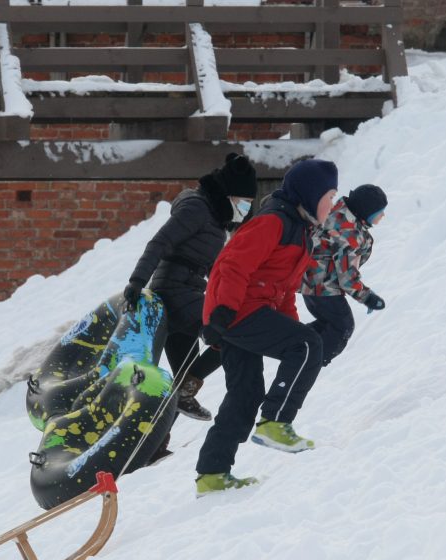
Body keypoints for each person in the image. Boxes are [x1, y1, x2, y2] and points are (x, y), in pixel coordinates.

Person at [194, 158, 338, 496]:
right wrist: (221, 314)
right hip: (237, 311)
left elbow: (283, 291)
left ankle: (212, 475)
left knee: (245, 395)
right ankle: (276, 422)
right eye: (329, 196)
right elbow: (231, 265)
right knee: (306, 345)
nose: (333, 204)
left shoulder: (301, 232)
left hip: (247, 313)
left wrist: (290, 330)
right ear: (310, 193)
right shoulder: (274, 222)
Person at [123, 153, 258, 422]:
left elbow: (210, 266)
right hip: (173, 291)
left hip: (189, 291)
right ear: (229, 194)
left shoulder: (215, 219)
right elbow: (159, 243)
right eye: (243, 202)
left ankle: (153, 445)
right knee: (233, 331)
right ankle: (183, 390)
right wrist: (136, 282)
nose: (244, 209)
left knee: (182, 380)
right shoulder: (197, 209)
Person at [301, 184, 388, 367]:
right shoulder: (349, 232)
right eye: (380, 212)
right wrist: (367, 297)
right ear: (367, 212)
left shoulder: (338, 216)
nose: (383, 216)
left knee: (329, 324)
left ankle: (297, 347)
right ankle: (307, 361)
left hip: (313, 284)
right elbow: (347, 275)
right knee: (343, 326)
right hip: (323, 286)